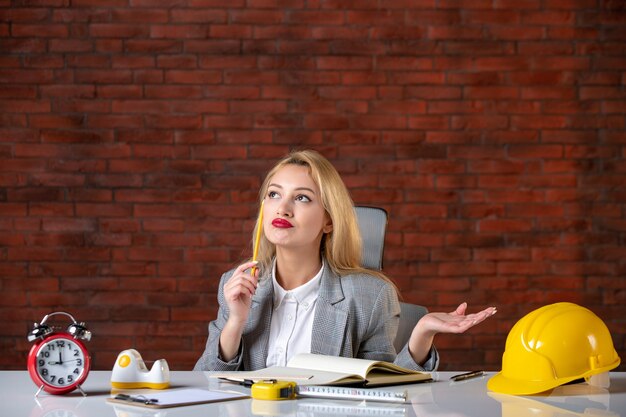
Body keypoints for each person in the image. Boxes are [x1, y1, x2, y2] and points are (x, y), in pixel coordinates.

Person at [194, 150, 496, 372]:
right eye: (274, 194)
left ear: (328, 220)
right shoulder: (237, 285)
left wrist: (421, 335)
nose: (282, 208)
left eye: (302, 198)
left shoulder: (370, 295)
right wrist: (235, 322)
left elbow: (385, 390)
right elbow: (204, 386)